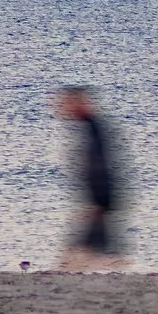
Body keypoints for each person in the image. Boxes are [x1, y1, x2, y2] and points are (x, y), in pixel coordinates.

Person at [55, 86, 126, 270]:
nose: (62, 108)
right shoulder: (91, 129)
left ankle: (85, 261)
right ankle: (97, 260)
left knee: (87, 244)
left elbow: (98, 164)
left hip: (100, 192)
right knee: (92, 240)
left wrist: (99, 198)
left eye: (67, 103)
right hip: (99, 192)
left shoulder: (95, 130)